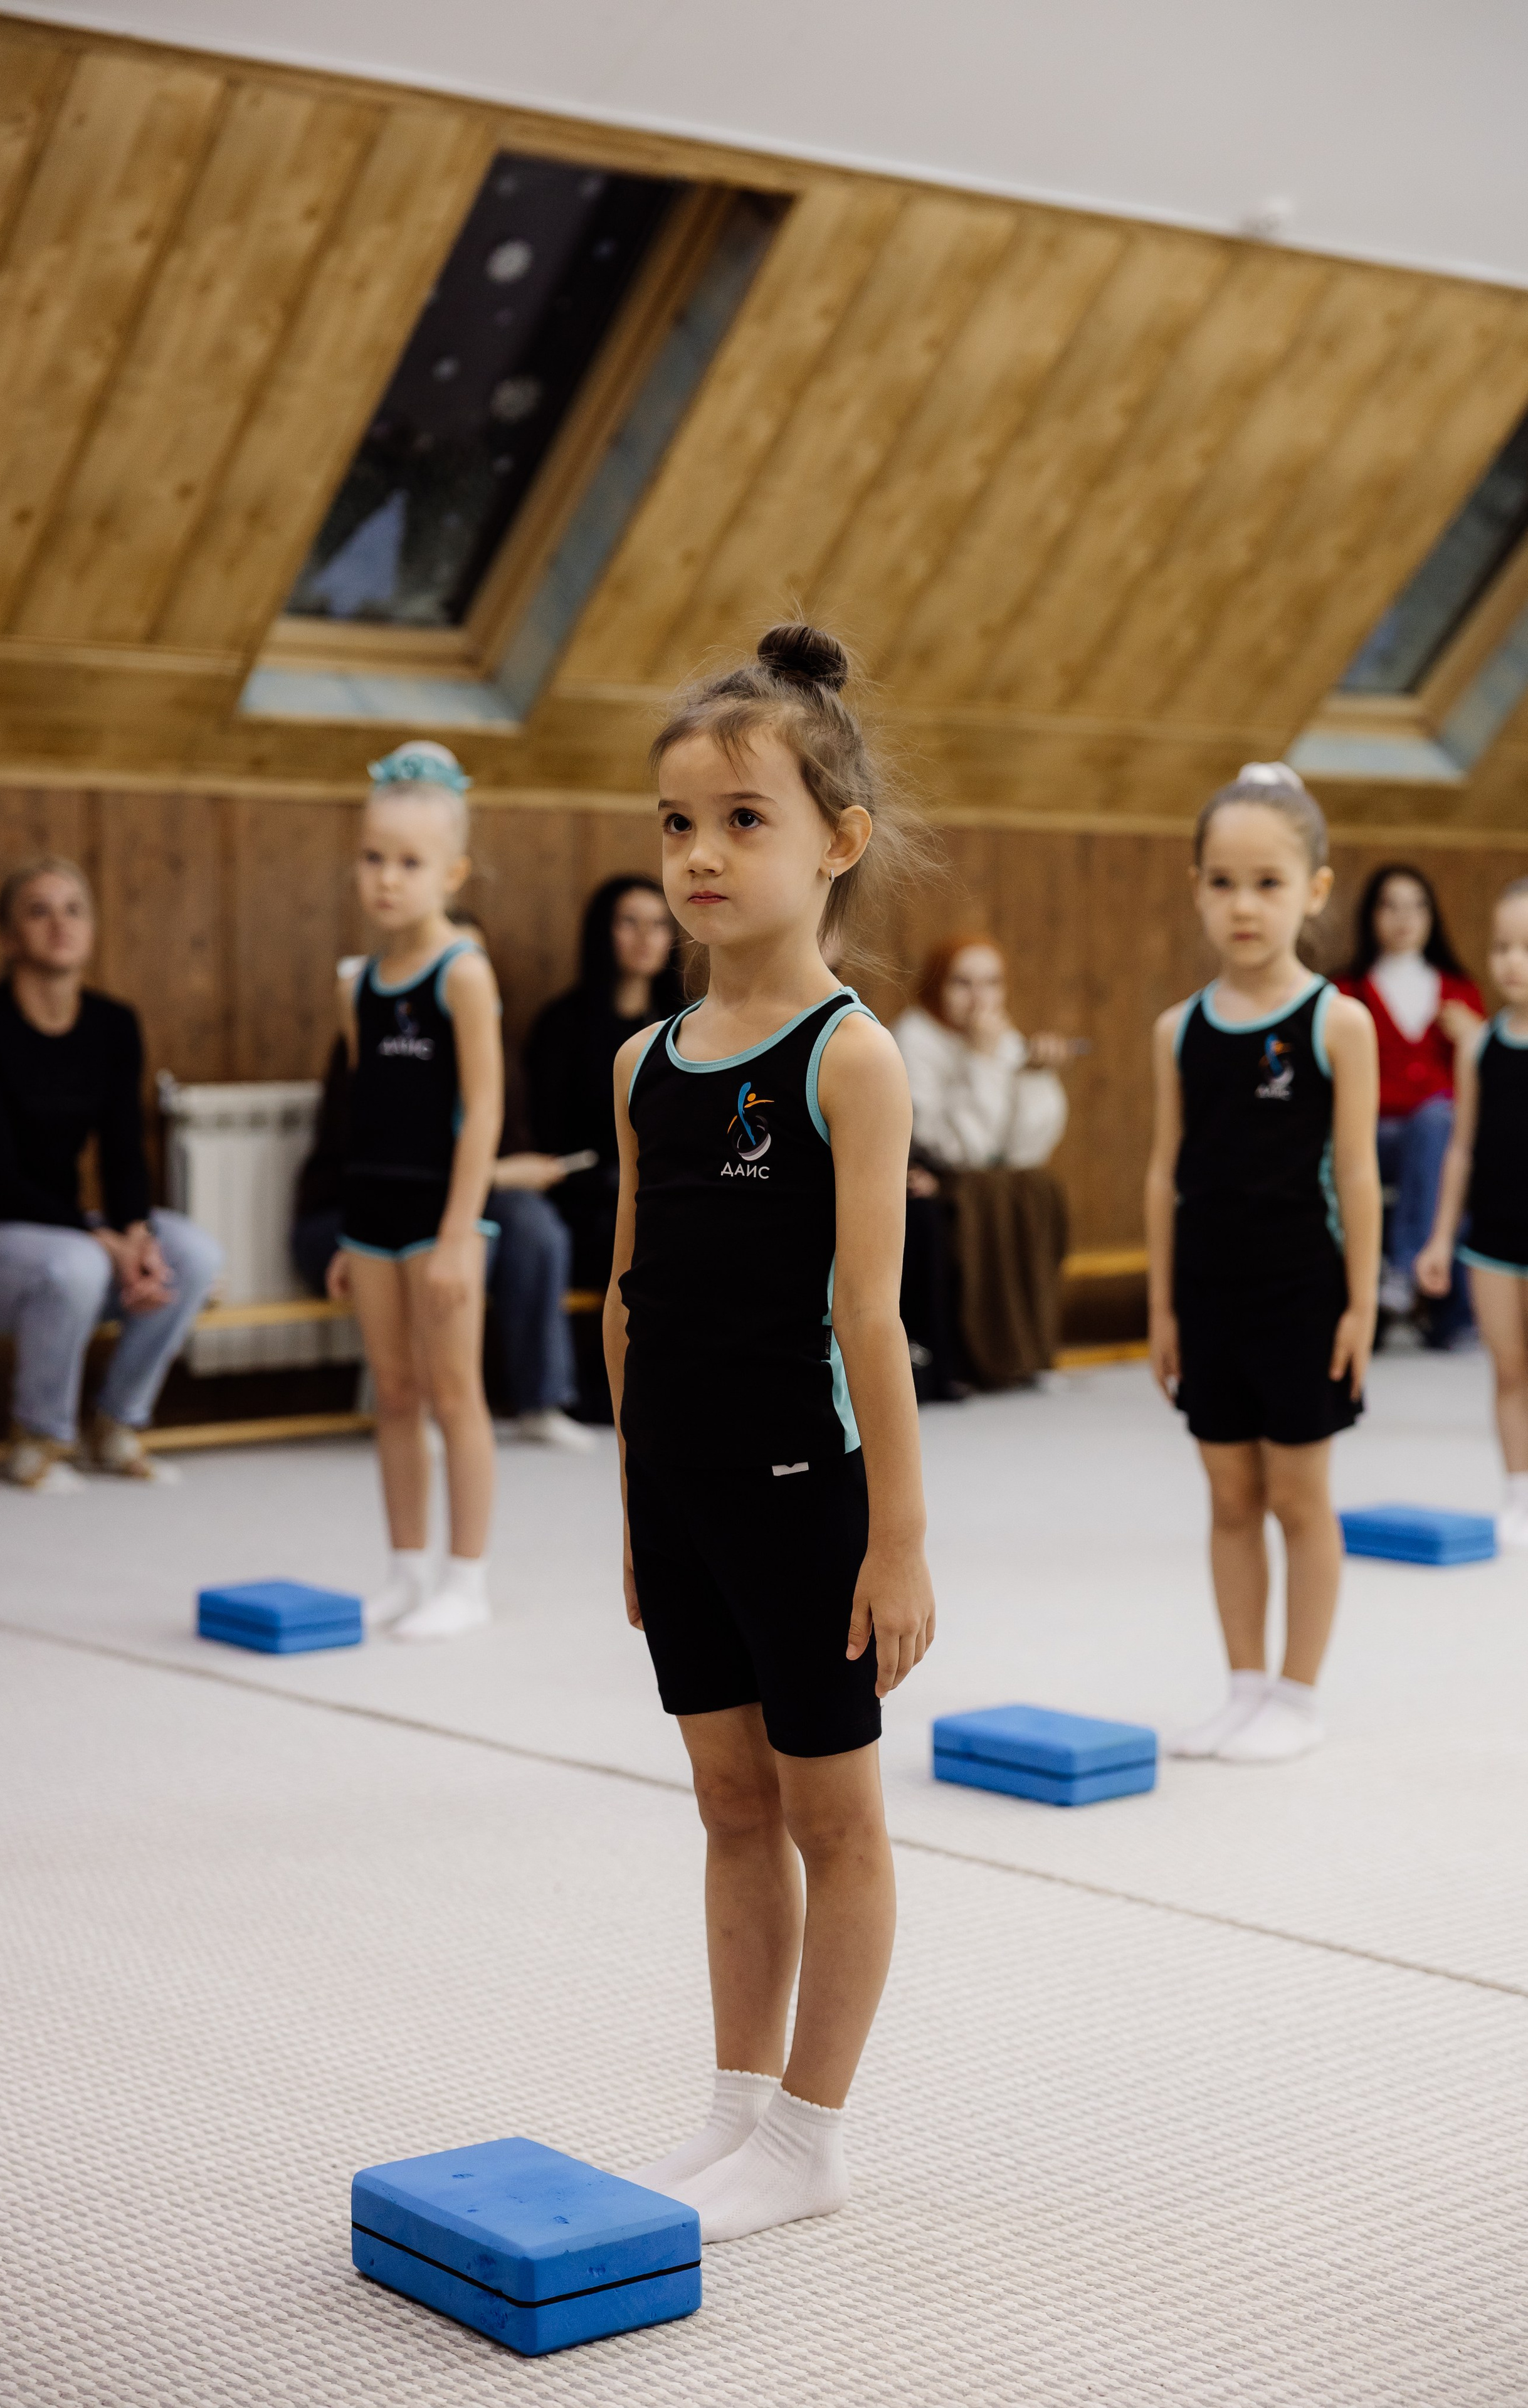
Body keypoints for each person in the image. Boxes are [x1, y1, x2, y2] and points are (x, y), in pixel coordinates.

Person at [607, 623, 934, 2243]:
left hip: (811, 1499)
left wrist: (903, 1540)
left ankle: (813, 2133)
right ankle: (737, 2111)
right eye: (677, 823)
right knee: (730, 1807)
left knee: (831, 1816)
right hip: (678, 1490)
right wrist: (627, 1510)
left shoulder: (850, 1057)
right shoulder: (641, 1064)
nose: (701, 855)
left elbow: (871, 1321)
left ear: (836, 843)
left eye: (744, 820)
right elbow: (623, 1304)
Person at [1146, 763, 1379, 1765]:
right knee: (1229, 1497)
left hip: (1302, 1292)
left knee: (1298, 1495)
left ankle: (1299, 1691)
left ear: (1315, 891)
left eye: (1269, 883)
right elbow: (1166, 1174)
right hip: (1208, 1295)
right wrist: (1161, 1309)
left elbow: (1360, 1176)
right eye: (1224, 882)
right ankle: (1242, 1684)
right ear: (1198, 886)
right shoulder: (1179, 1030)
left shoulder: (1338, 1023)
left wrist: (1362, 1307)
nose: (1245, 906)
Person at [0, 857, 223, 1491]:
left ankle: (117, 1425)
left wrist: (135, 1233)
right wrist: (102, 1243)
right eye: (39, 910)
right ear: (8, 938)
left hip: (61, 1231)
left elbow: (122, 1151)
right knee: (77, 1265)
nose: (60, 924)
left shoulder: (113, 1026)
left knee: (190, 1254)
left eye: (74, 909)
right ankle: (39, 1439)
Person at [327, 741, 504, 1637]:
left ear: (451, 871)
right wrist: (344, 1236)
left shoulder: (462, 974)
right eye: (373, 858)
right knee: (393, 1392)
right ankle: (404, 1567)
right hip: (372, 1216)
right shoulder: (356, 984)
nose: (387, 880)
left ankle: (465, 1578)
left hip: (445, 1217)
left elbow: (482, 1112)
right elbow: (365, 1113)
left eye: (409, 863)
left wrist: (457, 1231)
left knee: (453, 1391)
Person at [293, 1034, 592, 1455]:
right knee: (461, 1238)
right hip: (358, 1209)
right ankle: (420, 1399)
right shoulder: (375, 1030)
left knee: (530, 1227)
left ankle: (538, 1400)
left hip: (452, 1205)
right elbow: (383, 1160)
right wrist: (495, 1176)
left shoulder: (494, 1045)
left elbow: (502, 1138)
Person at [892, 934, 1073, 1393]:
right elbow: (957, 1150)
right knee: (987, 1197)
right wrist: (981, 1060)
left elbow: (1025, 1149)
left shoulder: (999, 1035)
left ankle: (1019, 1348)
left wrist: (1035, 1076)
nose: (979, 999)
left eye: (991, 984)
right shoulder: (913, 1038)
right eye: (963, 983)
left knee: (1037, 1187)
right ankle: (975, 1354)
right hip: (932, 1177)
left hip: (977, 1178)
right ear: (938, 986)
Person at [1415, 879, 1528, 1548]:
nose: (1513, 961)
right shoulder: (1478, 1047)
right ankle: (1517, 1489)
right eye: (1502, 947)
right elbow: (1459, 1150)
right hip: (1490, 1239)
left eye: (1527, 948)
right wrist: (1436, 1238)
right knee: (1508, 1370)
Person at [1335, 864, 1483, 1338]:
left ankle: (1402, 1271)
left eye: (1416, 905)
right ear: (1372, 915)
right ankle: (1411, 1268)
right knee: (1433, 1136)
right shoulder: (1347, 992)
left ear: (1431, 915)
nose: (1404, 918)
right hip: (1371, 1132)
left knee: (1438, 1126)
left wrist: (1475, 1037)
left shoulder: (1458, 991)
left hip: (1439, 1135)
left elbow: (1490, 1077)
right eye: (1391, 905)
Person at [525, 876, 683, 1292]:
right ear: (603, 932)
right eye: (629, 923)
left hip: (669, 1195)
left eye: (659, 924)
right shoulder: (563, 1024)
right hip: (586, 1200)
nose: (646, 938)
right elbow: (549, 1138)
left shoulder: (687, 1025)